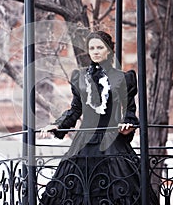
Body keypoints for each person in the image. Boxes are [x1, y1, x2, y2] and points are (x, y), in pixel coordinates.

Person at [39, 30, 158, 205]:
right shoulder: (80, 77)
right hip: (84, 143)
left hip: (113, 144)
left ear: (109, 50)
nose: (95, 51)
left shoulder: (122, 78)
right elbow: (75, 109)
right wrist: (58, 124)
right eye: (92, 48)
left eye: (99, 47)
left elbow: (129, 111)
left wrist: (128, 126)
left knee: (120, 190)